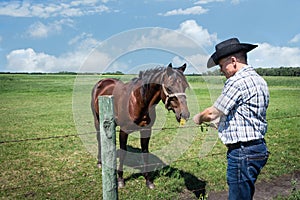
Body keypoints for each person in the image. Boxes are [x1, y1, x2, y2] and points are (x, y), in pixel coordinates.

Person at [193, 38, 269, 200]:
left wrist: (198, 118)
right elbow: (245, 113)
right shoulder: (259, 80)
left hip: (242, 152)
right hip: (258, 148)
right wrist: (222, 124)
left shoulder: (236, 81)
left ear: (233, 61)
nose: (221, 70)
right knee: (245, 193)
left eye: (221, 66)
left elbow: (212, 113)